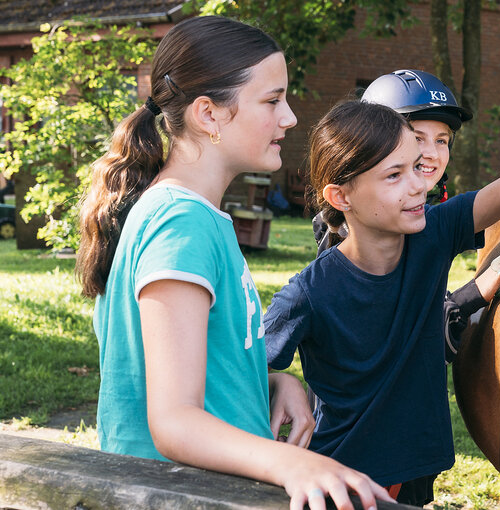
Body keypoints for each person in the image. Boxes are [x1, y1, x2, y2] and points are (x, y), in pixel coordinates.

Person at [262, 78, 500, 504]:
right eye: (395, 174)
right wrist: (282, 380)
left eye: (417, 167)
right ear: (340, 196)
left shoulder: (436, 232)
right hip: (341, 479)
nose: (418, 185)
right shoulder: (306, 295)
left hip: (414, 470)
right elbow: (240, 370)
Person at [74, 16, 391, 510]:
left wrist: (267, 381)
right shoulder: (180, 223)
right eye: (272, 100)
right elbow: (174, 422)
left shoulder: (194, 217)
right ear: (209, 114)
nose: (289, 117)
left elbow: (177, 366)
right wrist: (292, 463)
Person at [311, 70, 500, 358]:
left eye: (442, 140)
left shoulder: (415, 219)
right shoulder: (362, 231)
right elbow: (398, 336)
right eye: (417, 138)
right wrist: (472, 293)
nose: (431, 153)